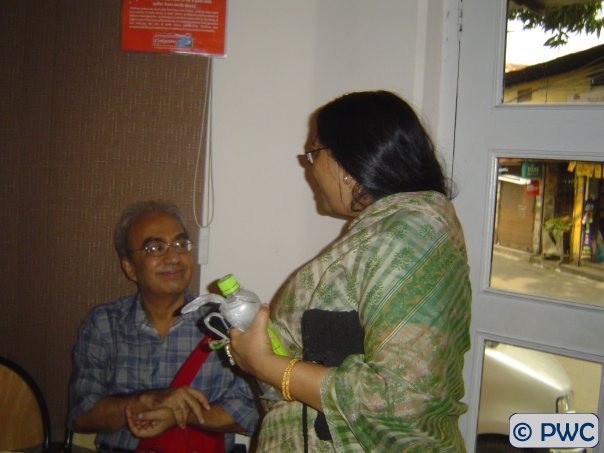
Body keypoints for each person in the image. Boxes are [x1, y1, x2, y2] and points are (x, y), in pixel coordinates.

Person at [228, 90, 472, 451]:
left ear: (348, 159)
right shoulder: (393, 232)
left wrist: (266, 364)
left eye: (313, 154)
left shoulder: (409, 236)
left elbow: (402, 401)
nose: (310, 169)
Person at [68, 200, 259, 452]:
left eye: (181, 245)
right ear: (130, 268)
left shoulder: (222, 322)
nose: (173, 257)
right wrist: (148, 400)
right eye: (156, 248)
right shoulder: (103, 324)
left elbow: (250, 412)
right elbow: (81, 414)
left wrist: (181, 413)